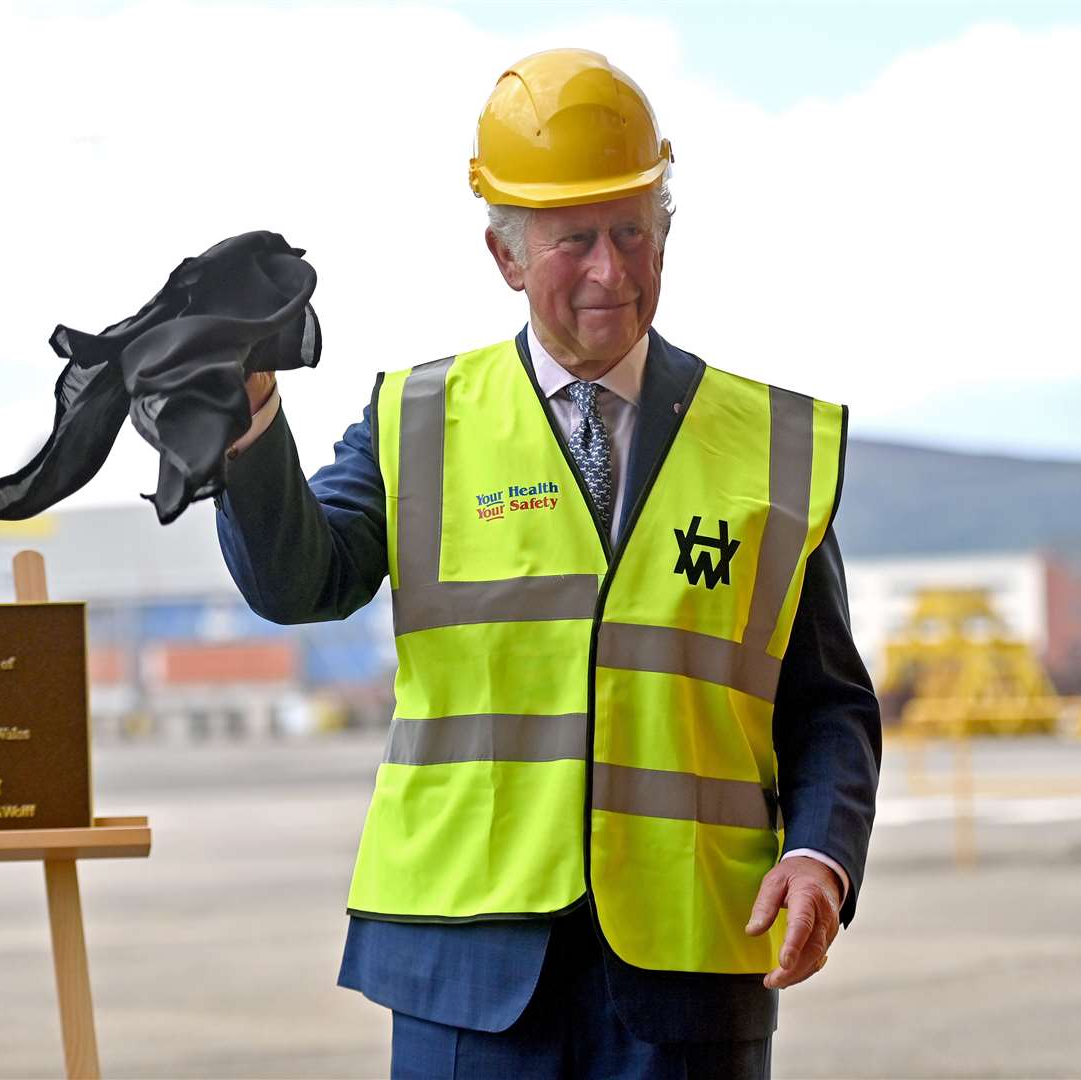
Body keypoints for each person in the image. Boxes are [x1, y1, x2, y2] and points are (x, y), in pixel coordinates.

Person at [215, 48, 881, 1080]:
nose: (612, 271)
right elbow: (299, 582)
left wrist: (822, 853)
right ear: (507, 256)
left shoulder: (772, 446)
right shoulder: (416, 422)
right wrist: (246, 411)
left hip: (689, 963)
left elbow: (827, 700)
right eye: (577, 241)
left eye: (633, 233)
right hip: (466, 960)